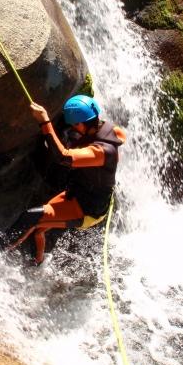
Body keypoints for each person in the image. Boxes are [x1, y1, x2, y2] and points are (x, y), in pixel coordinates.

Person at [7, 94, 126, 265]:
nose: (73, 128)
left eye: (74, 125)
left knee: (29, 218)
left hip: (88, 210)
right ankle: (37, 260)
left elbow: (63, 157)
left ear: (80, 123)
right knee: (38, 228)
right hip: (79, 193)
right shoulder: (107, 129)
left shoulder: (101, 152)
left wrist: (44, 121)